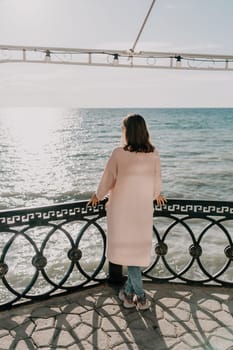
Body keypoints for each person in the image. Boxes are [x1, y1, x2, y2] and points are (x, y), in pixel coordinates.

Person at [88, 114, 166, 310]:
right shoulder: (154, 153)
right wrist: (157, 194)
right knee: (136, 252)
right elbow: (156, 182)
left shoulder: (118, 153)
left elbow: (108, 179)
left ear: (127, 132)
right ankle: (128, 293)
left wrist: (97, 195)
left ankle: (140, 296)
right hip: (142, 210)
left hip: (122, 210)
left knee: (130, 254)